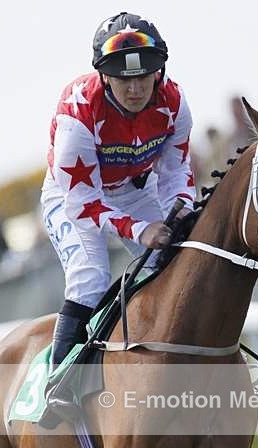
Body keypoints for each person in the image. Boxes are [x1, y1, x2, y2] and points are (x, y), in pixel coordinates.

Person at [41, 12, 196, 368]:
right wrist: (140, 230)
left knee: (172, 261)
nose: (135, 89)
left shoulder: (175, 103)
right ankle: (57, 386)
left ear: (157, 70)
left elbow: (176, 173)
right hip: (74, 198)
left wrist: (183, 208)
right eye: (123, 79)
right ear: (103, 75)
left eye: (143, 76)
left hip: (135, 190)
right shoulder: (77, 114)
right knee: (90, 280)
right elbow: (83, 202)